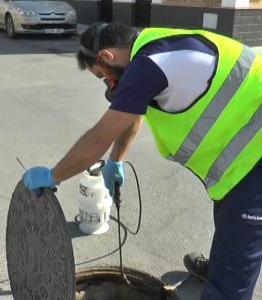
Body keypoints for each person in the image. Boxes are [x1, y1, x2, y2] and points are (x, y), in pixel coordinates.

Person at [23, 22, 262, 300]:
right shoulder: (149, 46)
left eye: (104, 77)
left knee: (232, 272)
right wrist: (116, 161)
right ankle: (224, 263)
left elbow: (98, 138)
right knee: (230, 214)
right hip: (244, 157)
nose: (110, 85)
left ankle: (227, 276)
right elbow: (133, 114)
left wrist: (54, 175)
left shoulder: (148, 65)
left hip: (255, 158)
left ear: (106, 57)